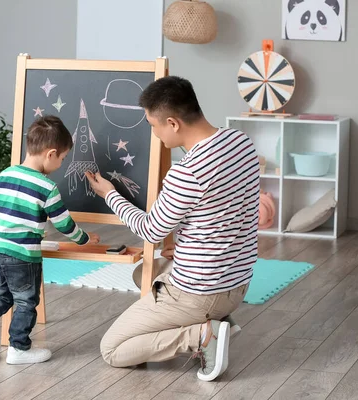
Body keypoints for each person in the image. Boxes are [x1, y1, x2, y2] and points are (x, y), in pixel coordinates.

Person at [85, 76, 259, 381]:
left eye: (154, 125)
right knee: (144, 273)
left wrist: (110, 194)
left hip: (200, 293)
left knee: (112, 349)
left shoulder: (188, 171)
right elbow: (232, 213)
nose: (154, 133)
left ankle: (203, 335)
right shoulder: (241, 143)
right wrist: (188, 246)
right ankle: (219, 320)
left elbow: (151, 231)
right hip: (238, 284)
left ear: (173, 123)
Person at [0, 115, 100, 365]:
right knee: (26, 300)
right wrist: (86, 239)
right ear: (51, 154)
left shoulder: (5, 174)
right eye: (62, 158)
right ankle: (19, 348)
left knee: (0, 296)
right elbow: (64, 224)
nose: (61, 164)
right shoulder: (46, 187)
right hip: (22, 256)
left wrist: (17, 217)